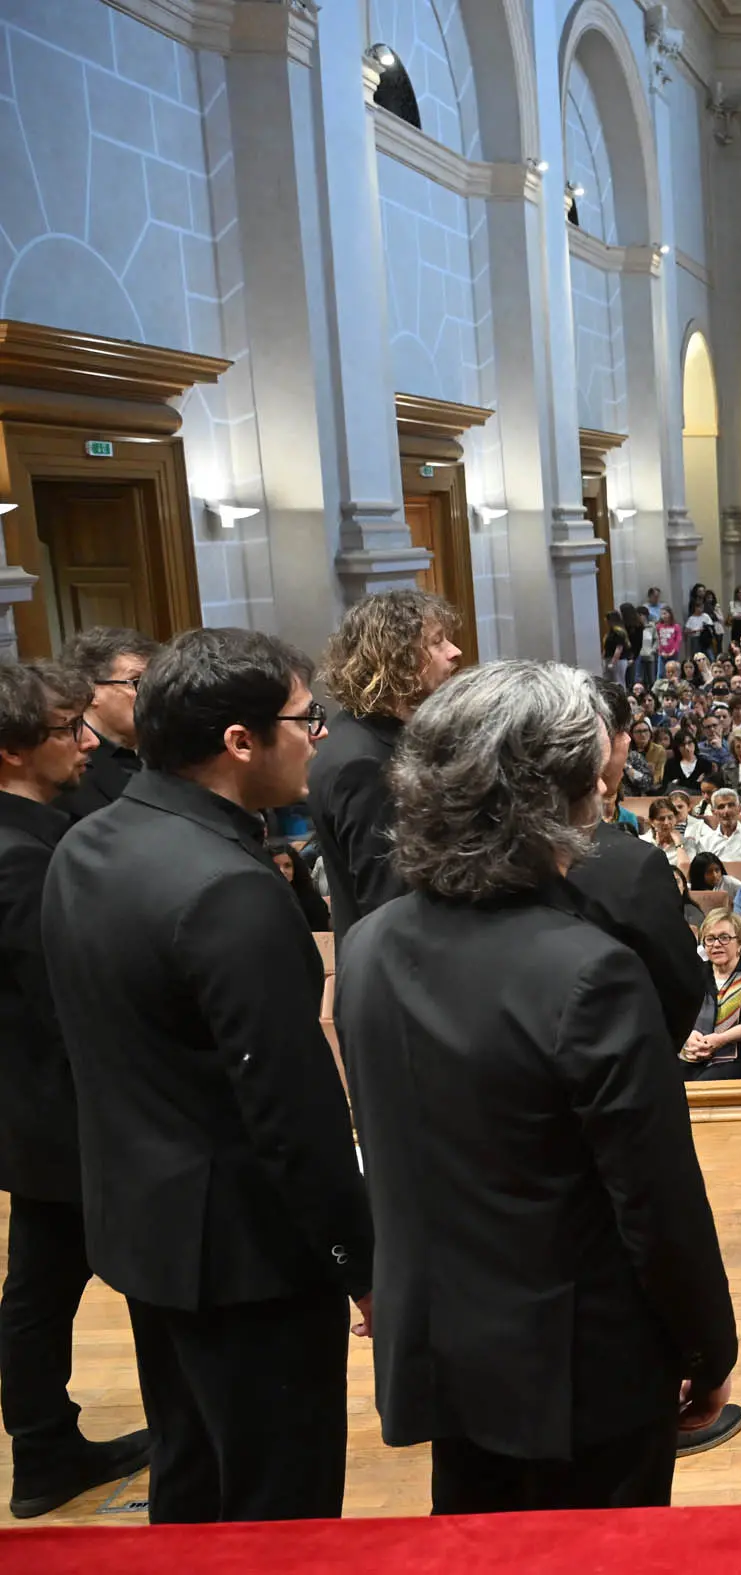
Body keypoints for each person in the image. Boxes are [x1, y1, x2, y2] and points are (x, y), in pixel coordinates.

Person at [337, 662, 737, 1513]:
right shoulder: (589, 971)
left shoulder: (368, 944)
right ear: (566, 793)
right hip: (575, 1365)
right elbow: (655, 1201)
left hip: (443, 1345)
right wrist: (708, 1347)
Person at [44, 628, 372, 1521]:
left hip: (145, 1229)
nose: (319, 736)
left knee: (190, 1478)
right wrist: (361, 1260)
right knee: (278, 1507)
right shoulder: (230, 888)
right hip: (249, 1256)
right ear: (240, 741)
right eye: (308, 719)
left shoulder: (86, 842)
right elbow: (291, 1111)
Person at [0, 660, 151, 1519]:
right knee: (49, 1288)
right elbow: (62, 1004)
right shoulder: (20, 857)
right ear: (13, 749)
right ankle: (45, 1448)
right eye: (65, 729)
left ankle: (46, 1444)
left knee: (42, 1285)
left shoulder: (35, 832)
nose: (86, 742)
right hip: (62, 1115)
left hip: (43, 1109)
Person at [309, 589, 463, 941]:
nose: (454, 651)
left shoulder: (374, 735)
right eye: (437, 642)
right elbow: (391, 903)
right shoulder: (362, 763)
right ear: (396, 658)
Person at [567, 678, 707, 1051]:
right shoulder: (633, 864)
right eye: (623, 731)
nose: (629, 740)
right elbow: (681, 989)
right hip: (614, 1069)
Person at [52, 628, 158, 822]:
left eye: (156, 682)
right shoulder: (71, 769)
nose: (154, 694)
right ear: (90, 690)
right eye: (137, 682)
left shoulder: (169, 750)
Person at [679, 909, 741, 1081]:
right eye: (710, 939)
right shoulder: (695, 973)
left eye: (724, 938)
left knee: (702, 1085)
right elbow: (679, 1013)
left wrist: (721, 1039)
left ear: (739, 943)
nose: (716, 944)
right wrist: (689, 1036)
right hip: (692, 1055)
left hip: (737, 1058)